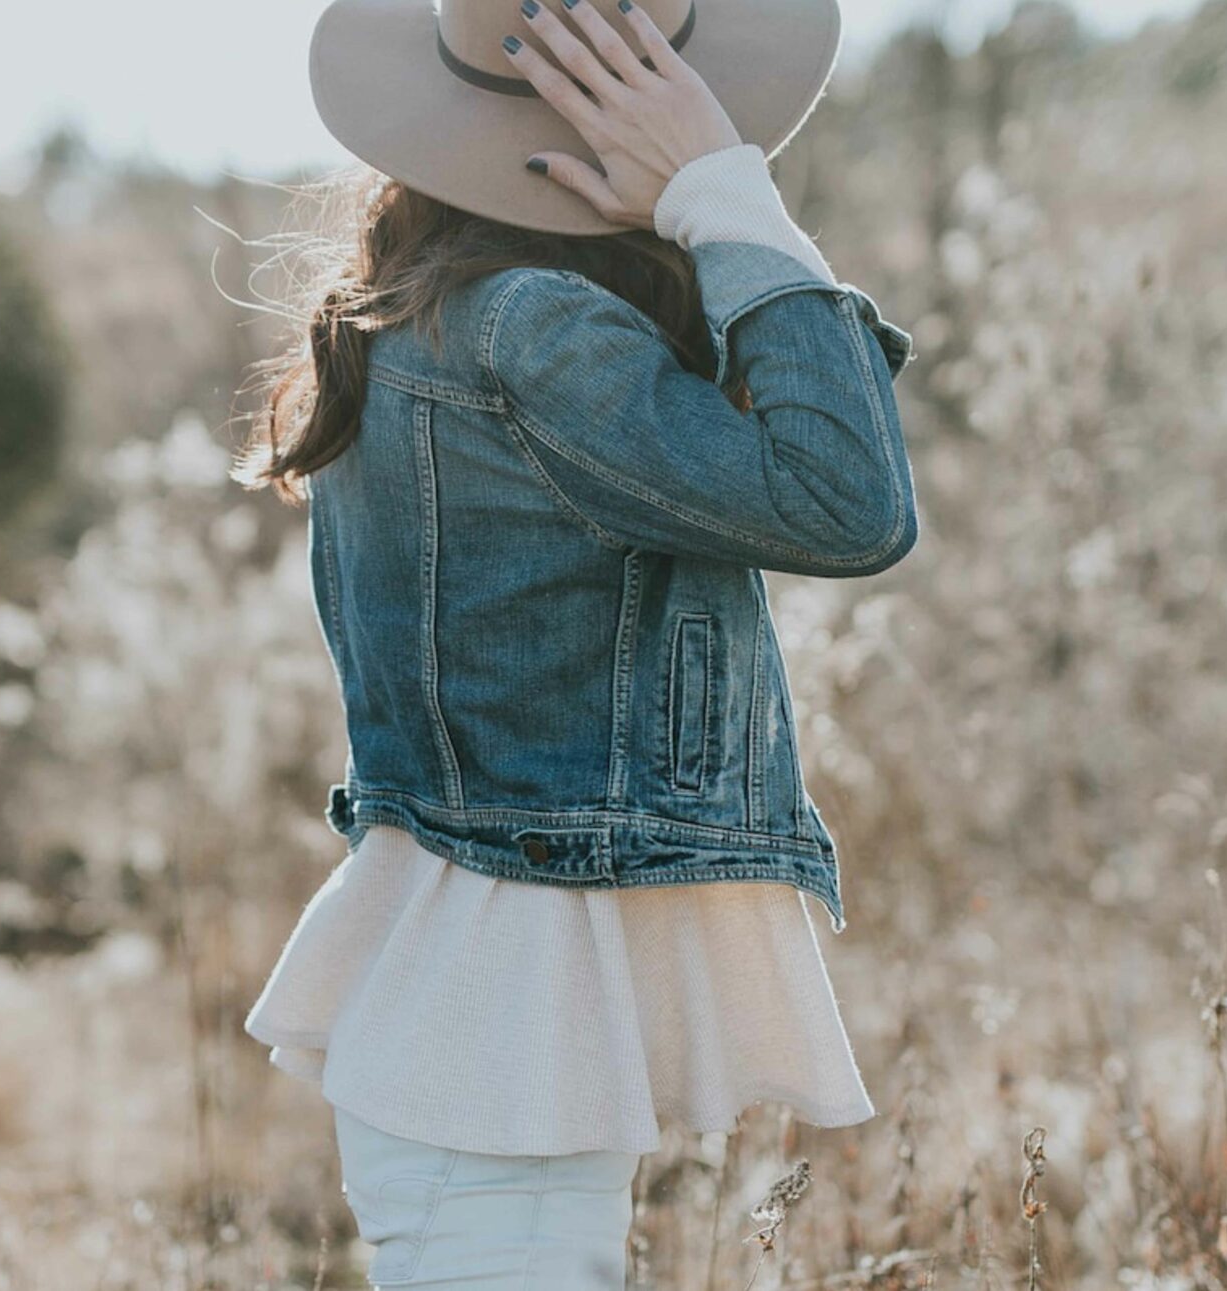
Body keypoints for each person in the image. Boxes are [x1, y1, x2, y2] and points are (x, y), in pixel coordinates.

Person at [234, 0, 920, 1284]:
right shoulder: (533, 330)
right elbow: (849, 498)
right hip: (499, 1010)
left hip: (477, 987)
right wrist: (722, 193)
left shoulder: (434, 318)